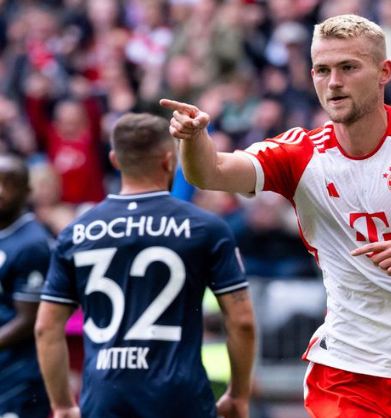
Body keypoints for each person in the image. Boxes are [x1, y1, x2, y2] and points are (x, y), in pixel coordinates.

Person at [162, 14, 391, 418]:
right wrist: (195, 138)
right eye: (322, 70)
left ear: (383, 72)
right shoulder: (299, 153)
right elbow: (210, 172)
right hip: (350, 366)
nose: (333, 81)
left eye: (348, 68)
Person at [35, 113, 256, 418]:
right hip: (180, 398)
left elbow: (46, 328)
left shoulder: (76, 232)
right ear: (169, 161)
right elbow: (241, 321)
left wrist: (61, 406)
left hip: (104, 398)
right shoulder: (205, 228)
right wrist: (238, 395)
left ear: (114, 160)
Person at [0, 155, 52, 418]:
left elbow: (29, 319)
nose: (0, 190)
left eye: (9, 183)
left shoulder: (32, 243)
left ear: (27, 191)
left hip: (18, 377)